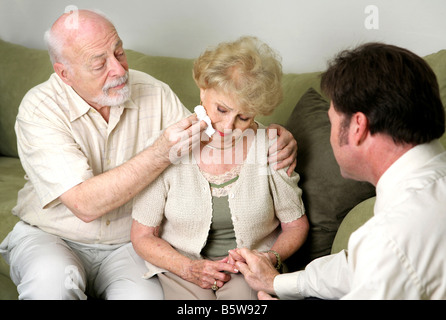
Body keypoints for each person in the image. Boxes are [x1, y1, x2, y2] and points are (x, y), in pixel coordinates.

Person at [0, 10, 297, 300]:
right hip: (52, 236)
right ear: (65, 73)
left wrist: (272, 136)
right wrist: (159, 154)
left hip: (125, 246)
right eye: (99, 63)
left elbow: (211, 135)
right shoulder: (40, 109)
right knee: (51, 287)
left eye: (119, 53)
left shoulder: (154, 92)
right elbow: (84, 204)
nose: (118, 70)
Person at [230, 42, 446, 300]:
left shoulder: (392, 235)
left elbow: (384, 256)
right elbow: (357, 267)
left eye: (332, 120)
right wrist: (278, 282)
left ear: (358, 127)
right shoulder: (423, 194)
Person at [131, 36, 309, 300]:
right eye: (221, 109)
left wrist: (268, 258)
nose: (228, 126)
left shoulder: (272, 147)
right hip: (182, 267)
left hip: (248, 268)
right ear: (203, 90)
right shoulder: (169, 146)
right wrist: (188, 267)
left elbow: (295, 225)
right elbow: (142, 235)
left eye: (244, 117)